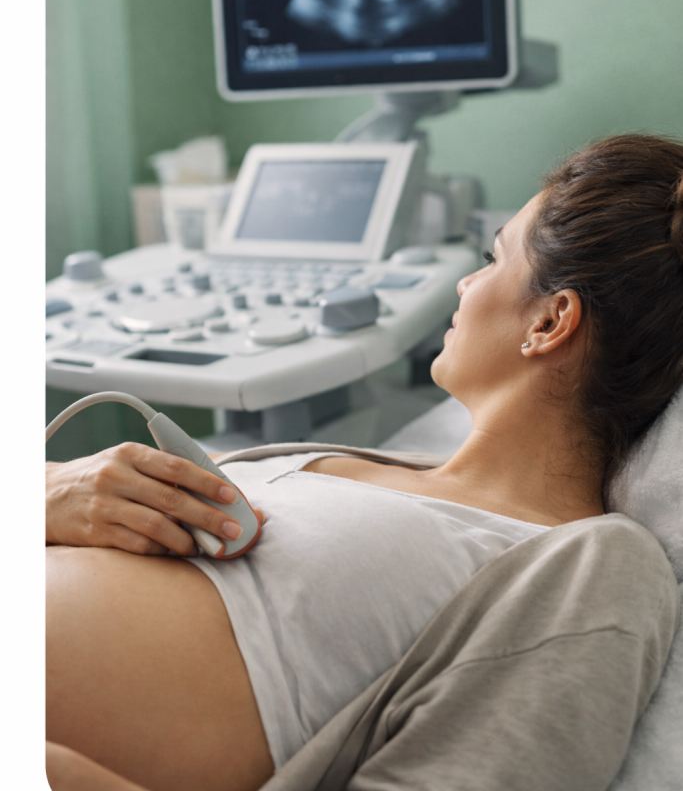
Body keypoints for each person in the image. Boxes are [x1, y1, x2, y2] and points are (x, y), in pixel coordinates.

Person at [46, 134, 683, 791]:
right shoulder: (342, 462)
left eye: (491, 259)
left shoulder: (597, 564)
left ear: (549, 323)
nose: (464, 284)